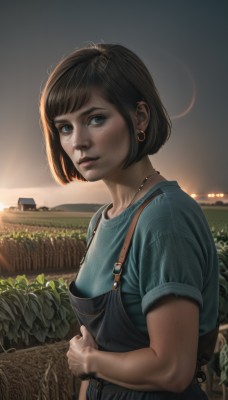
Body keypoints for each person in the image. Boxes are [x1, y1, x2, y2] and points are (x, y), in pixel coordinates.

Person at [40, 43, 219, 400]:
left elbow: (172, 368)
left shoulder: (164, 218)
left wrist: (90, 361)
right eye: (64, 127)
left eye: (95, 119)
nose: (78, 142)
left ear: (139, 118)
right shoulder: (100, 222)